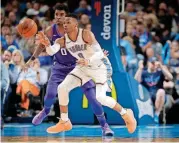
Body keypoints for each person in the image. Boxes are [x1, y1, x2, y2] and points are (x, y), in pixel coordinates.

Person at [36, 14, 137, 134]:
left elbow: (100, 53)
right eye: (64, 23)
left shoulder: (86, 34)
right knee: (62, 88)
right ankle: (64, 121)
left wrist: (88, 60)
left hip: (99, 67)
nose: (65, 24)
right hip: (83, 68)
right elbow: (52, 51)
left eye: (68, 22)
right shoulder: (62, 40)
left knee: (100, 98)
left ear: (75, 24)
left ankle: (126, 114)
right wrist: (47, 44)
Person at [27, 4, 113, 136]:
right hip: (59, 68)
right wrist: (33, 58)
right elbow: (43, 46)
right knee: (50, 94)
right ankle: (45, 111)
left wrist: (98, 55)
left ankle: (105, 126)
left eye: (62, 15)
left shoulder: (80, 33)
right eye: (56, 15)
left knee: (93, 98)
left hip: (78, 67)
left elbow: (92, 48)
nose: (59, 17)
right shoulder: (51, 30)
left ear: (69, 18)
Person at [134, 57, 173, 123]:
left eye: (154, 63)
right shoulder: (144, 72)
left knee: (161, 91)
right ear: (148, 63)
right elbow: (135, 81)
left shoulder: (160, 72)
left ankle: (156, 114)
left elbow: (170, 77)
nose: (153, 65)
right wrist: (140, 68)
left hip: (158, 95)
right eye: (152, 63)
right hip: (147, 94)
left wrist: (161, 66)